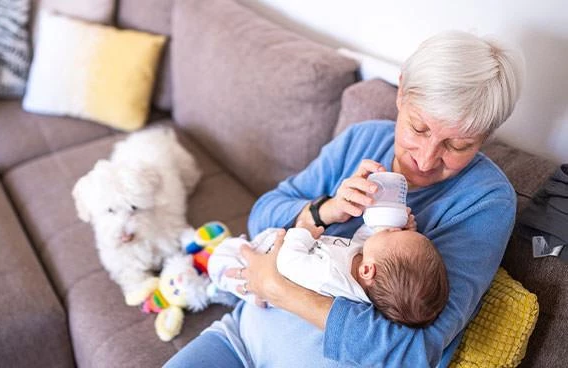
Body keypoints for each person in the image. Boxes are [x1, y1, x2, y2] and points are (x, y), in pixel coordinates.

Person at [165, 30, 524, 367]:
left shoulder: (485, 202)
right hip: (239, 340)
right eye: (419, 128)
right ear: (401, 92)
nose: (426, 159)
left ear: (486, 136)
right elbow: (262, 215)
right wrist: (322, 211)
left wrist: (277, 287)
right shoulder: (363, 139)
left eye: (457, 145)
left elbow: (413, 352)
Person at [208, 216, 449, 328]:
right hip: (273, 255)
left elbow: (288, 264)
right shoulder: (364, 271)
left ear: (368, 270)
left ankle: (213, 283)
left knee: (223, 257)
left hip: (270, 263)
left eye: (393, 235)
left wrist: (302, 232)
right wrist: (384, 224)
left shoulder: (329, 275)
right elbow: (364, 238)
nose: (393, 231)